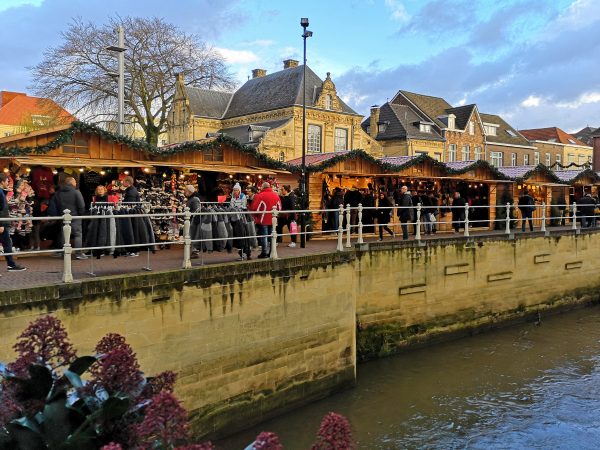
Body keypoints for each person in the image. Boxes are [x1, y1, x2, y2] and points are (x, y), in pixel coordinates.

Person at [49, 176, 87, 259]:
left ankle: (64, 253)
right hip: (75, 216)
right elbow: (81, 205)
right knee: (77, 235)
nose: (76, 183)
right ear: (72, 182)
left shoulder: (58, 193)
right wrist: (80, 214)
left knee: (64, 236)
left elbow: (54, 205)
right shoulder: (76, 192)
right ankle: (78, 254)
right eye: (75, 182)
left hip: (63, 217)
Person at [0, 173, 27, 272]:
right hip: (2, 223)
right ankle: (11, 264)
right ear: (2, 182)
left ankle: (11, 264)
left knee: (7, 243)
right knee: (7, 243)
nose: (8, 183)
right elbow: (1, 209)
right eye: (7, 181)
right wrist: (1, 224)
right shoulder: (0, 192)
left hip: (4, 222)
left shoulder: (2, 192)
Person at [250, 182, 282, 258]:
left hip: (263, 219)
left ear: (263, 187)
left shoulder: (260, 195)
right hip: (273, 219)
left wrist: (256, 216)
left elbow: (255, 208)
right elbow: (279, 208)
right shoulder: (276, 195)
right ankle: (272, 251)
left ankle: (264, 253)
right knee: (272, 236)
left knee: (264, 236)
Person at [183, 185, 201, 258]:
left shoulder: (194, 199)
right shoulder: (192, 199)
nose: (184, 192)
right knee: (190, 235)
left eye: (185, 190)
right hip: (191, 220)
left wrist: (193, 218)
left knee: (192, 235)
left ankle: (195, 251)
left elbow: (197, 210)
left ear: (189, 192)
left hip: (192, 220)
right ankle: (194, 251)